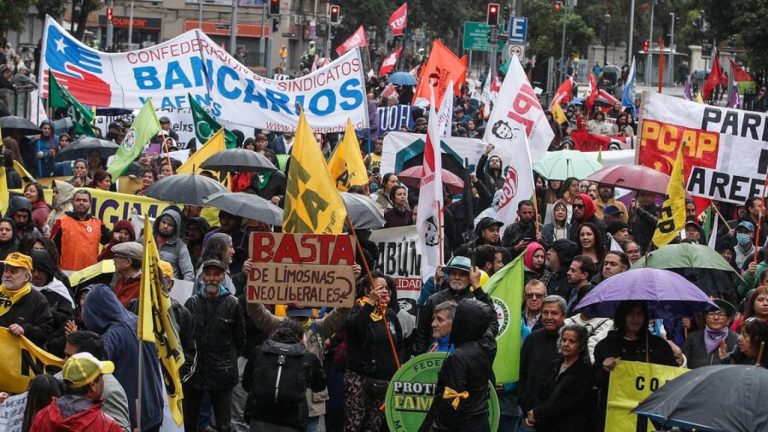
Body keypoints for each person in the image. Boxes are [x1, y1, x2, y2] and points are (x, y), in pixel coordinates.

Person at [81, 284, 164, 431]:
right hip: (153, 405)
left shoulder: (110, 338)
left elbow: (96, 376)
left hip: (131, 413)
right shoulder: (138, 321)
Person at [593, 301, 680, 428]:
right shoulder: (606, 346)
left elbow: (671, 377)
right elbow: (595, 380)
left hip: (650, 417)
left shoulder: (659, 346)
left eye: (640, 314)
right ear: (622, 316)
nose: (636, 318)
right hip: (615, 417)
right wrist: (604, 369)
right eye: (630, 313)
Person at [183, 259, 246, 432]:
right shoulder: (192, 303)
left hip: (222, 373)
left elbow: (240, 339)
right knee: (189, 422)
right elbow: (185, 337)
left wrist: (227, 360)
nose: (211, 278)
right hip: (194, 372)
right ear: (202, 277)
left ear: (222, 277)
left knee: (223, 424)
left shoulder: (233, 304)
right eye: (208, 274)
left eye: (216, 274)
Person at [420, 298, 497, 432]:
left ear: (461, 322)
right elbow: (492, 321)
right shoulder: (487, 345)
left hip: (461, 424)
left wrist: (438, 427)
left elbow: (451, 400)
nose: (433, 324)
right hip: (480, 422)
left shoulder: (459, 357)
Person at [344, 273, 404, 431]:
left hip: (384, 381)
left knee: (374, 426)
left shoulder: (390, 315)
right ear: (367, 290)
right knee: (354, 424)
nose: (385, 291)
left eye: (386, 288)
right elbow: (355, 328)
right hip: (360, 379)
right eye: (379, 287)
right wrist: (370, 303)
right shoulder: (357, 310)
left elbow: (399, 345)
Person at [243, 319, 326, 432]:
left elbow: (246, 384)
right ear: (301, 337)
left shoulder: (259, 352)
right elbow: (319, 386)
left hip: (260, 418)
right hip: (292, 420)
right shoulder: (308, 358)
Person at [415, 256, 494, 355]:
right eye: (453, 273)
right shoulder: (433, 300)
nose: (457, 277)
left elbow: (491, 323)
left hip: (465, 356)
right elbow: (422, 334)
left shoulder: (476, 301)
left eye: (462, 274)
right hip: (434, 357)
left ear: (470, 277)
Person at [525, 323, 594, 432]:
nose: (566, 344)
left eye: (572, 341)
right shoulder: (554, 365)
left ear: (581, 346)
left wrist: (538, 412)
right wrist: (533, 412)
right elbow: (543, 392)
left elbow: (568, 402)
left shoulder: (585, 371)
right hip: (545, 424)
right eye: (564, 340)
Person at [30, 352, 123, 432]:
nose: (103, 381)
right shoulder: (107, 426)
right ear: (93, 385)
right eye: (101, 377)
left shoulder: (42, 417)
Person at [63, 330, 132, 431]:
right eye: (65, 355)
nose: (64, 361)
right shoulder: (60, 379)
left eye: (70, 357)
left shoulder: (110, 391)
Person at [518, 295, 567, 424]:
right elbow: (522, 372)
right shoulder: (532, 339)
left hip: (559, 416)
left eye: (554, 313)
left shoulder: (570, 342)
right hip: (529, 414)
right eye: (545, 313)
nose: (549, 317)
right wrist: (524, 404)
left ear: (564, 315)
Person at [0, 252, 52, 346]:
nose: (7, 275)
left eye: (13, 272)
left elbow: (45, 332)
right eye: (6, 270)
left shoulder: (38, 300)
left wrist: (25, 330)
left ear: (26, 277)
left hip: (20, 357)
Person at [51, 189, 111, 271]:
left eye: (85, 200)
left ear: (90, 204)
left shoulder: (98, 224)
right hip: (67, 273)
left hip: (91, 274)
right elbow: (52, 250)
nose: (81, 202)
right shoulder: (60, 223)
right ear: (72, 202)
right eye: (78, 200)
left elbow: (111, 241)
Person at [140, 207, 194, 281]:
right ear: (159, 222)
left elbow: (189, 274)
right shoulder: (146, 238)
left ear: (175, 228)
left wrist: (180, 291)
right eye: (164, 222)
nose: (165, 226)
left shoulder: (180, 247)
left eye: (170, 225)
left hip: (168, 290)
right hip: (144, 287)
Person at [682, 299, 740, 368]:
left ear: (728, 320)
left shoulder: (736, 340)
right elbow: (684, 364)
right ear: (706, 317)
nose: (716, 318)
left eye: (720, 314)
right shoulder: (692, 338)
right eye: (712, 314)